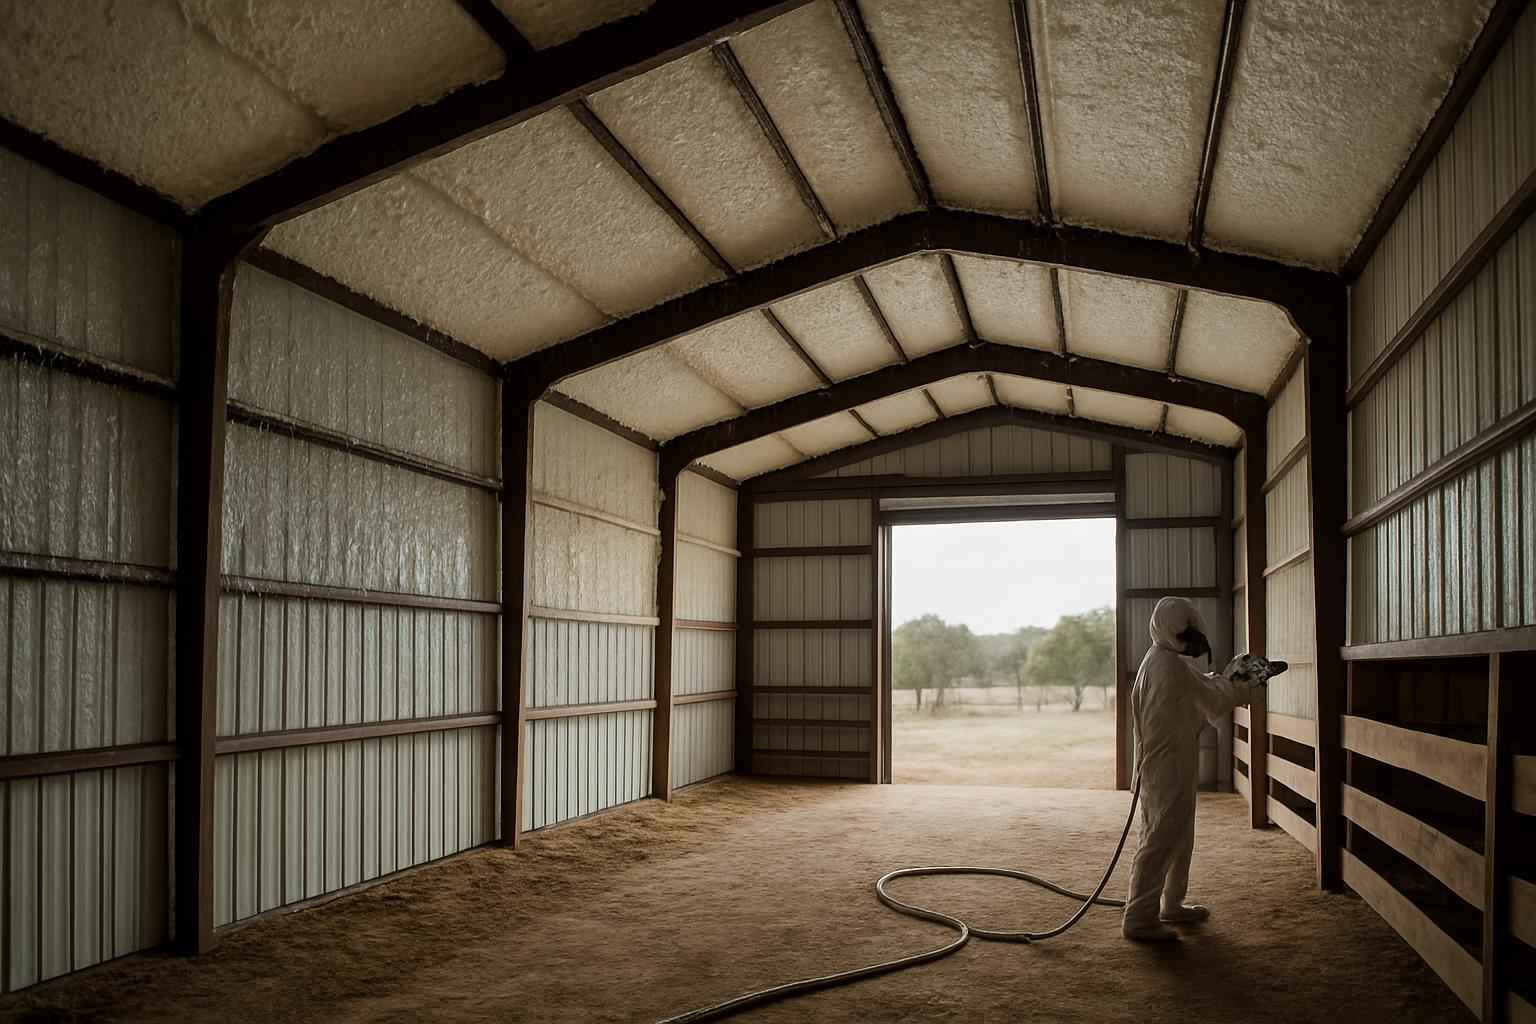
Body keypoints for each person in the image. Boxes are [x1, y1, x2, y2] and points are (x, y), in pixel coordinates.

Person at [1121, 597, 1269, 942]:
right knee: (1160, 838)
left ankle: (1171, 904)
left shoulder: (1160, 658)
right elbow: (1211, 698)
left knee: (1179, 834)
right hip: (1165, 764)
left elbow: (1201, 688)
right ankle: (1139, 918)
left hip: (1169, 760)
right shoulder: (1168, 665)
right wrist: (1241, 681)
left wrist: (1229, 678)